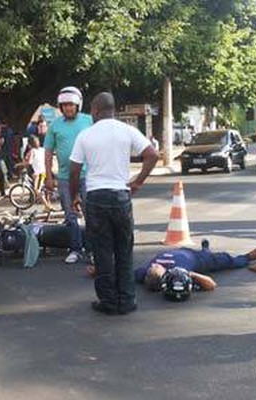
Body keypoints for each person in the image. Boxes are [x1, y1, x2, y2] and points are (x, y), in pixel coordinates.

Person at [69, 92, 158, 315]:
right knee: (124, 251)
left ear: (96, 110)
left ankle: (108, 302)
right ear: (113, 110)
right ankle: (127, 301)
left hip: (96, 198)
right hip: (121, 197)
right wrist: (138, 181)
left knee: (102, 252)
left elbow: (74, 169)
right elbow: (152, 154)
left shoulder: (85, 135)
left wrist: (74, 197)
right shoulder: (127, 131)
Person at [44, 86, 93, 264]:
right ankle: (75, 249)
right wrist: (48, 176)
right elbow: (48, 151)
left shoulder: (89, 120)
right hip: (64, 177)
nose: (67, 108)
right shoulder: (55, 125)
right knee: (70, 215)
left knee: (91, 214)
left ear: (78, 105)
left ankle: (92, 249)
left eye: (71, 105)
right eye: (64, 106)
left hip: (88, 176)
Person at [133, 240, 256, 293]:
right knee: (225, 260)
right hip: (201, 260)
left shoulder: (142, 273)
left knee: (206, 252)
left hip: (183, 249)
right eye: (154, 269)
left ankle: (205, 248)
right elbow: (210, 284)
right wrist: (190, 274)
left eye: (151, 268)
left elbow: (123, 276)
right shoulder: (176, 275)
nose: (154, 265)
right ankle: (247, 257)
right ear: (163, 275)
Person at [14, 135, 52, 211]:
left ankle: (47, 206)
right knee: (42, 189)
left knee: (36, 190)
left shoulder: (32, 151)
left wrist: (18, 164)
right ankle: (47, 206)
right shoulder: (42, 149)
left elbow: (29, 162)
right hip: (44, 171)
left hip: (39, 172)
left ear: (29, 144)